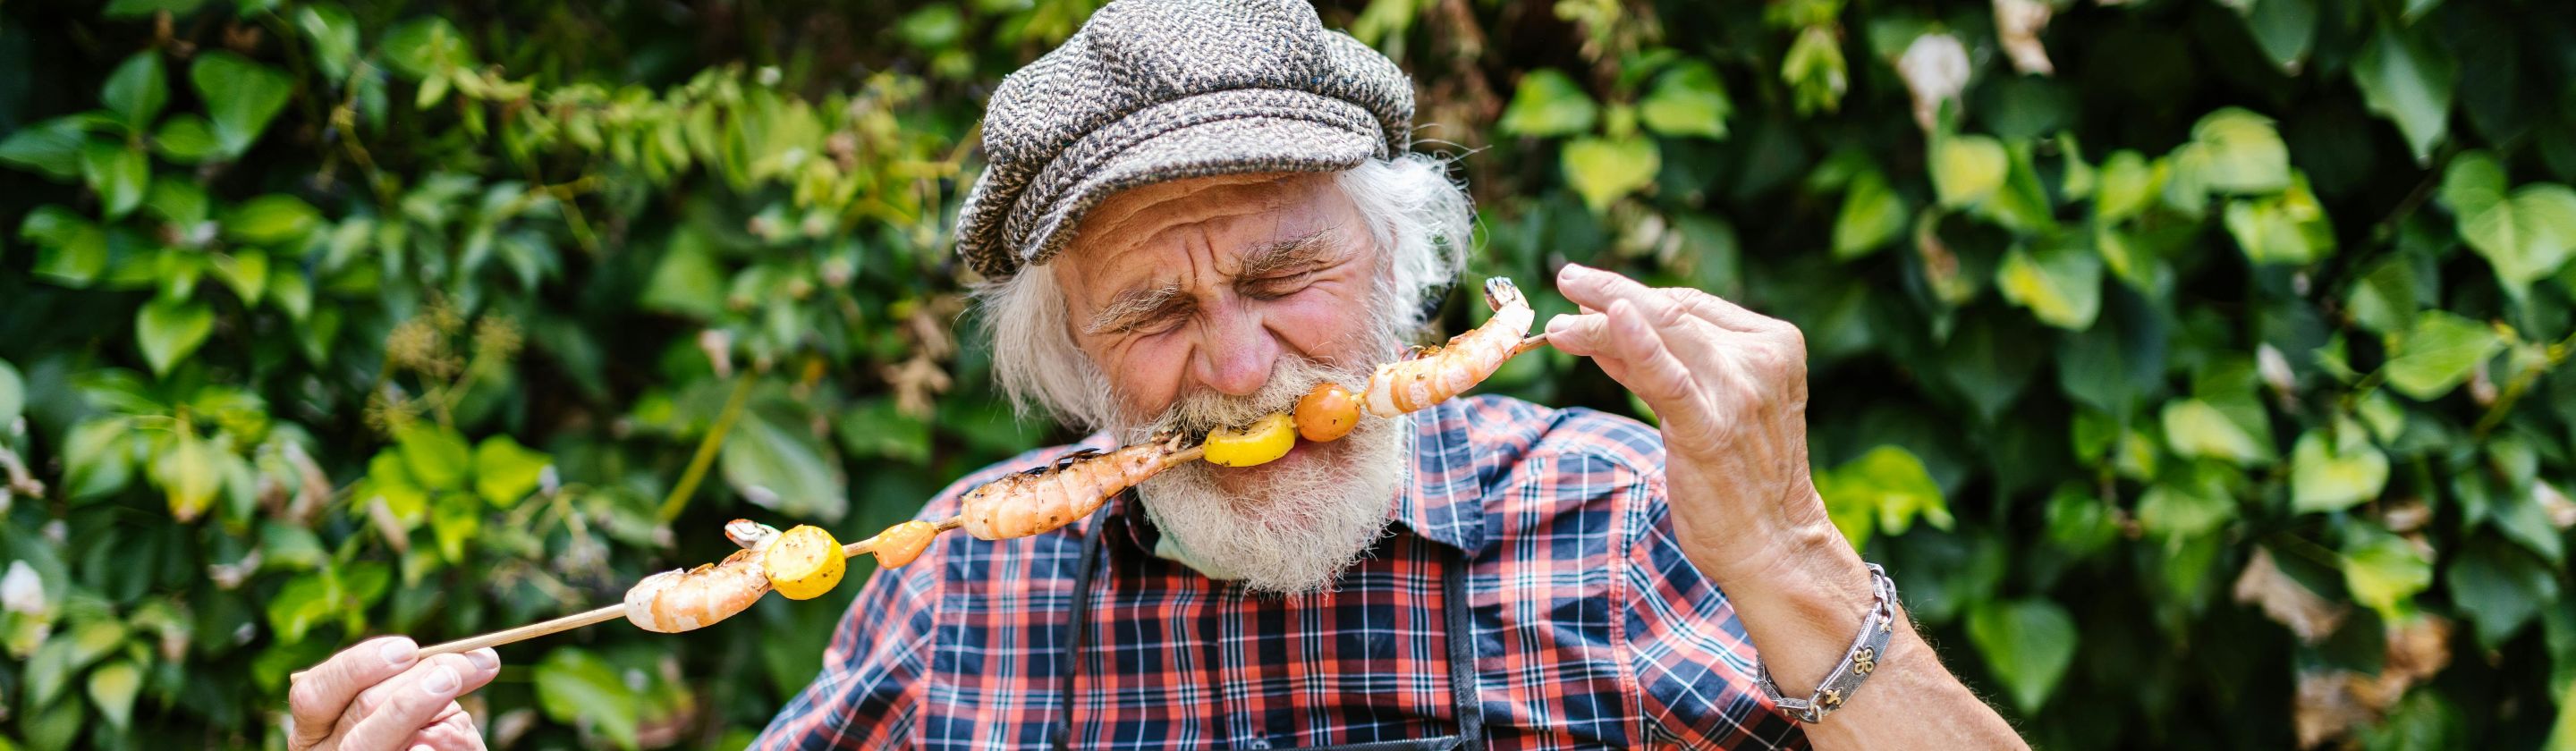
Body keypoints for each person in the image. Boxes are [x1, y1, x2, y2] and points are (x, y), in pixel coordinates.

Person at [288, 1, 2030, 748]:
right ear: (1073, 365)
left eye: (1285, 277)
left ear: (1398, 271)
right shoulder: (961, 594)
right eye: (1154, 312)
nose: (1242, 363)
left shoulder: (1630, 518)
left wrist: (1793, 561)